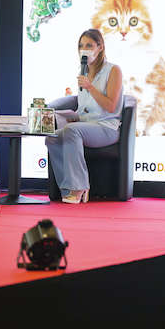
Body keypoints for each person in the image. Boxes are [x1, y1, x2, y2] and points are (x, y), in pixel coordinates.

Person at [45, 29, 124, 204]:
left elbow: (111, 107)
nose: (84, 49)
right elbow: (85, 108)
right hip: (87, 125)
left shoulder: (113, 70)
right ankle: (66, 188)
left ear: (100, 47)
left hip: (107, 127)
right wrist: (74, 116)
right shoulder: (84, 72)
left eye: (89, 45)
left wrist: (90, 87)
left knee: (72, 132)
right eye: (81, 46)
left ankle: (79, 186)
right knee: (52, 138)